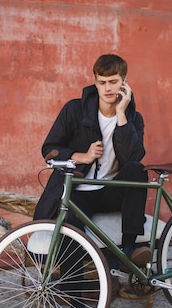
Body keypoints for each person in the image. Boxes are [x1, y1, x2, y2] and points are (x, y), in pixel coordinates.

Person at [34, 53, 151, 274]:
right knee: (70, 228)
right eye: (102, 82)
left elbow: (133, 158)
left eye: (114, 82)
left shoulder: (134, 118)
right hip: (79, 192)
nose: (108, 88)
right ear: (95, 82)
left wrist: (121, 115)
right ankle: (74, 295)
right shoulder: (74, 110)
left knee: (136, 170)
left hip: (111, 191)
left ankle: (128, 249)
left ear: (124, 82)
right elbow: (49, 149)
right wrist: (82, 156)